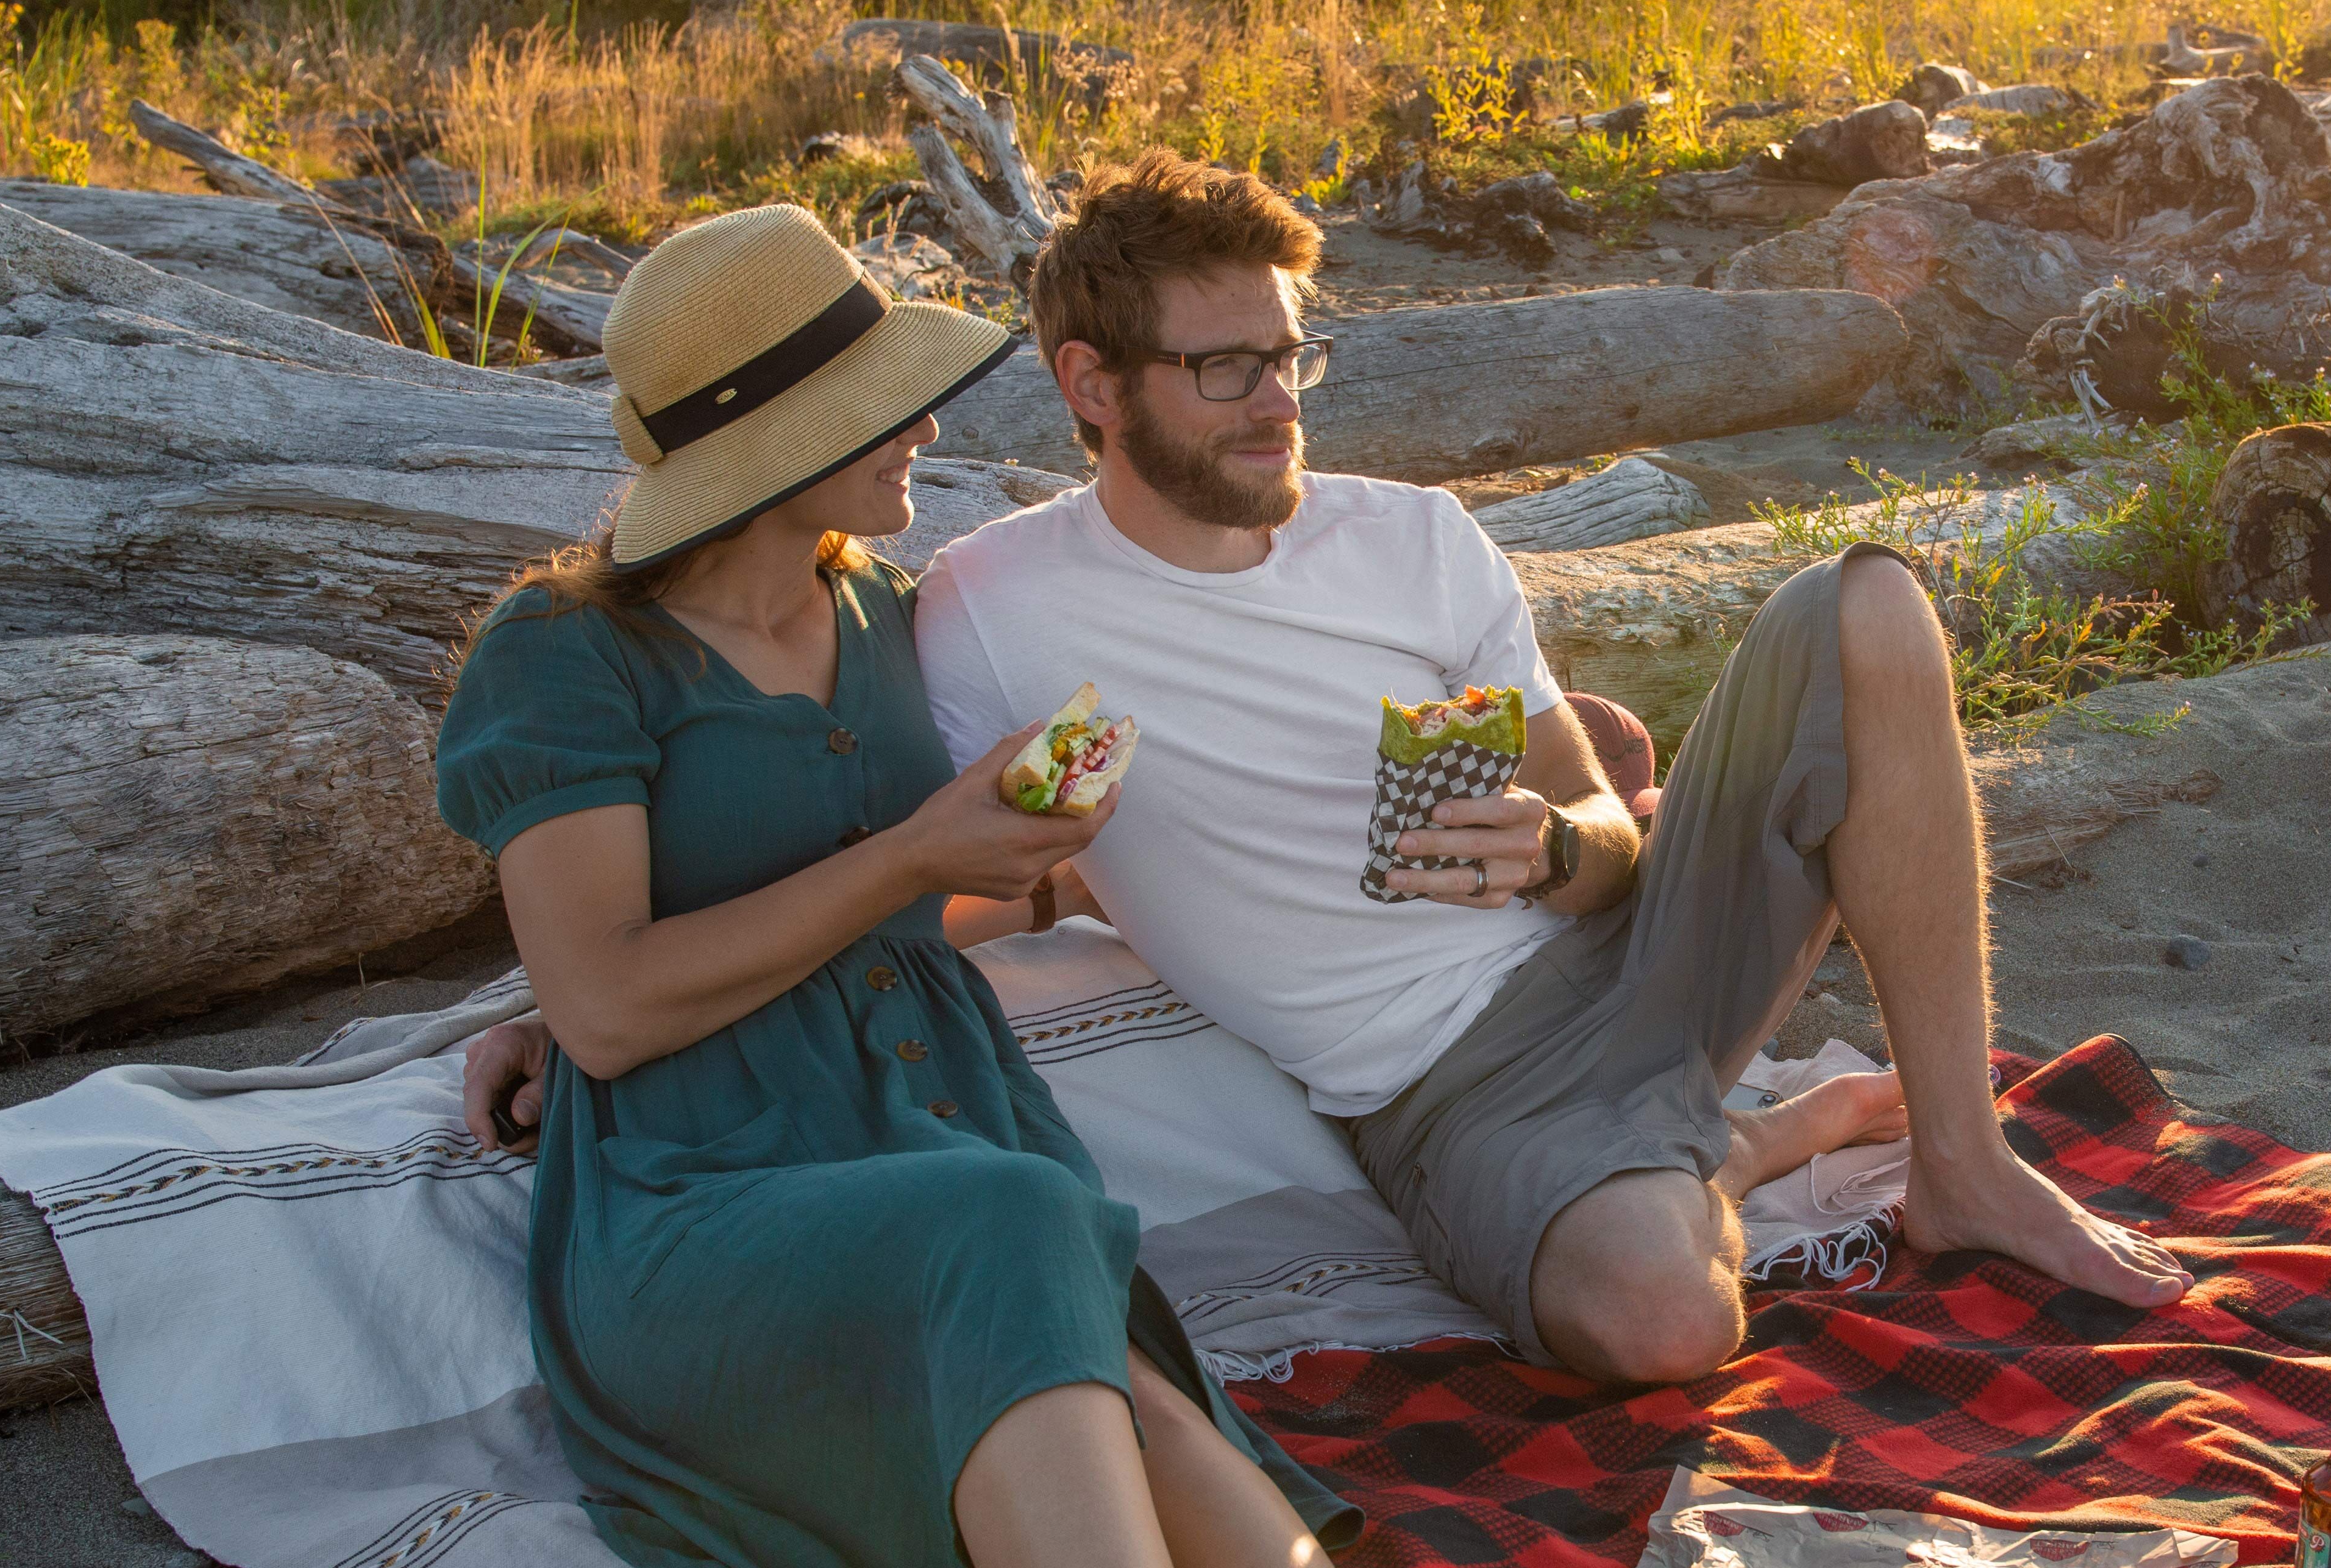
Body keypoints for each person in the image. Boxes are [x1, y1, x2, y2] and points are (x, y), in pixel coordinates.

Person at [432, 204, 1605, 1568]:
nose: (925, 440)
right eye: (887, 408)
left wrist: (1047, 859)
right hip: (712, 1202)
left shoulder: (894, 620)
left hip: (935, 1120)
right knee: (1014, 1221)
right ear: (777, 437)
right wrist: (871, 872)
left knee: (1130, 1379)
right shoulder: (568, 659)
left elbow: (949, 894)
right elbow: (611, 1007)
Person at [904, 150, 2190, 1387]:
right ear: (1090, 384)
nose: (1280, 401)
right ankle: (1745, 1143)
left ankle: (1961, 1162)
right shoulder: (994, 607)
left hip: (1642, 946)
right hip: (1459, 1085)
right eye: (1227, 366)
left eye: (1293, 356)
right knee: (1662, 1321)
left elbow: (1598, 815)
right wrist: (1061, 871)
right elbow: (935, 897)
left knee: (1867, 603)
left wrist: (1561, 845)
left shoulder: (1415, 539)